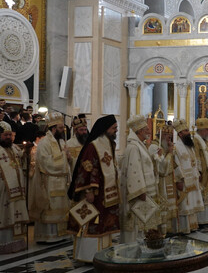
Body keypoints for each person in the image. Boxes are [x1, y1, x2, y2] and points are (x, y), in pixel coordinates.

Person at [67, 115, 120, 262]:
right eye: (114, 128)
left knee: (105, 222)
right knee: (93, 222)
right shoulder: (93, 145)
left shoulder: (109, 144)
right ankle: (89, 255)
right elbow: (87, 167)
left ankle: (104, 253)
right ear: (105, 129)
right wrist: (89, 190)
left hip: (107, 192)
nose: (116, 131)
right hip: (95, 193)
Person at [119, 115, 160, 244]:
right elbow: (134, 171)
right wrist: (140, 191)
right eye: (147, 129)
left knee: (143, 224)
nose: (149, 131)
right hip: (139, 194)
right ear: (140, 131)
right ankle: (132, 250)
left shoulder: (139, 145)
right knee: (137, 224)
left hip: (144, 192)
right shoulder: (134, 148)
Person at [31, 112, 71, 243]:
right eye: (60, 128)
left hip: (61, 181)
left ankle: (61, 235)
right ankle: (48, 236)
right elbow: (46, 163)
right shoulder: (44, 143)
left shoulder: (60, 141)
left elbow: (65, 160)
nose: (63, 130)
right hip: (49, 182)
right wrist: (64, 156)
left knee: (61, 207)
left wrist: (69, 158)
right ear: (53, 128)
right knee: (50, 208)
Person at [0, 121, 29, 254]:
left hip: (17, 188)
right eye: (5, 135)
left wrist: (27, 150)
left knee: (15, 212)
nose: (8, 138)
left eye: (10, 135)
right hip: (3, 189)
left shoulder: (14, 148)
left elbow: (22, 159)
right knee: (4, 214)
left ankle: (16, 243)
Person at [171, 119, 203, 233]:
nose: (188, 132)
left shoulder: (189, 146)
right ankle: (184, 227)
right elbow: (176, 164)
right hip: (184, 181)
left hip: (193, 179)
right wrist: (178, 179)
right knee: (185, 204)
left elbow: (194, 161)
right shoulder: (176, 147)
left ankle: (192, 225)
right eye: (185, 131)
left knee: (192, 202)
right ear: (180, 134)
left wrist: (198, 173)